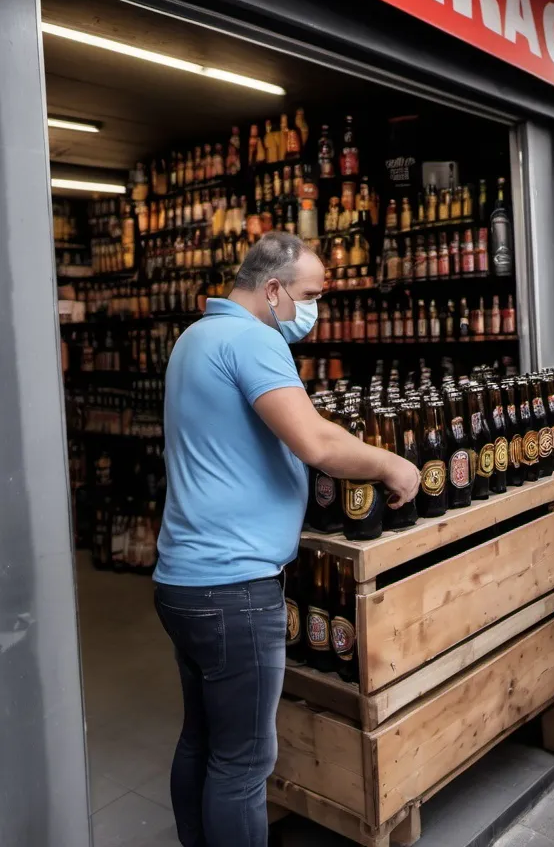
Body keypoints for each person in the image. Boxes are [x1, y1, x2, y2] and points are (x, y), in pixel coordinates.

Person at [153, 232, 420, 847]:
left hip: (182, 580)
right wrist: (389, 465)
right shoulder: (254, 340)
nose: (313, 310)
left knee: (201, 738)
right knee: (243, 766)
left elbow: (292, 423)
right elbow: (317, 443)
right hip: (234, 589)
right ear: (272, 290)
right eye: (308, 295)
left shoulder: (196, 337)